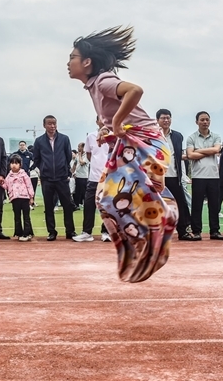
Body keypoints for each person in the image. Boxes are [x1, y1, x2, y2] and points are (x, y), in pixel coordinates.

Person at [67, 25, 178, 283]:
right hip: (133, 143)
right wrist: (109, 129)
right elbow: (118, 118)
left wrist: (116, 122)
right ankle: (143, 243)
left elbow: (135, 91)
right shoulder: (94, 86)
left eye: (72, 57)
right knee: (105, 199)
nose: (68, 63)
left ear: (87, 61)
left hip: (147, 144)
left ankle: (160, 231)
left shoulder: (104, 81)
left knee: (122, 195)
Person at [32, 116, 76, 240]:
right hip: (47, 178)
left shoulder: (64, 139)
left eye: (54, 123)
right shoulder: (39, 141)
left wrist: (64, 170)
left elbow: (68, 156)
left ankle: (70, 231)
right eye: (49, 124)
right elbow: (36, 158)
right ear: (44, 125)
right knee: (49, 206)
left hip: (62, 178)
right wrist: (43, 169)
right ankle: (51, 232)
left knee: (67, 205)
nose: (52, 126)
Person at [155, 109, 196, 241]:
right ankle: (157, 233)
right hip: (157, 177)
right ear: (157, 120)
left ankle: (183, 231)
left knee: (180, 204)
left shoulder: (177, 136)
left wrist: (182, 176)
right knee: (157, 205)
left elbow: (178, 157)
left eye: (168, 118)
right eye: (163, 118)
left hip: (174, 176)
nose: (166, 120)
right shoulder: (152, 135)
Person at [186, 112, 223, 240]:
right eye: (202, 120)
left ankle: (215, 231)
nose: (205, 122)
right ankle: (196, 231)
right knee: (197, 205)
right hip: (198, 176)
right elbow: (190, 156)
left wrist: (198, 151)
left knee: (214, 205)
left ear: (210, 121)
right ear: (196, 122)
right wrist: (209, 151)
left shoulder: (216, 136)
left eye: (207, 119)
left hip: (213, 176)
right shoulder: (192, 138)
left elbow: (216, 150)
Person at [75, 116, 111, 242]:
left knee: (108, 206)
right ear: (97, 121)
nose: (104, 121)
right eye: (101, 118)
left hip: (110, 177)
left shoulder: (114, 136)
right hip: (94, 177)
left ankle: (106, 232)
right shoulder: (91, 136)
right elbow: (89, 155)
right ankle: (86, 232)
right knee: (89, 204)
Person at [2, 154, 35, 241]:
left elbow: (29, 185)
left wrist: (31, 197)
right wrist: (1, 183)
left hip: (24, 198)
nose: (14, 165)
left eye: (16, 163)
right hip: (15, 199)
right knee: (17, 216)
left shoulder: (24, 174)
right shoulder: (9, 176)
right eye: (12, 163)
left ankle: (27, 233)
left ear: (20, 164)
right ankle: (19, 232)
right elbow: (6, 186)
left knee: (26, 216)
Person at [71, 142, 89, 209]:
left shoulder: (86, 155)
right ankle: (76, 205)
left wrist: (80, 155)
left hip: (84, 176)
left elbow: (82, 163)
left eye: (79, 147)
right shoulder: (77, 156)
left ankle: (86, 204)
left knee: (84, 192)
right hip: (77, 176)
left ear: (83, 147)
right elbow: (75, 164)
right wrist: (72, 173)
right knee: (77, 192)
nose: (78, 148)